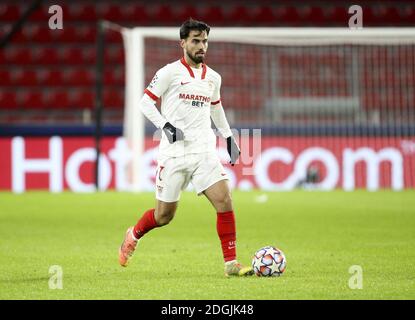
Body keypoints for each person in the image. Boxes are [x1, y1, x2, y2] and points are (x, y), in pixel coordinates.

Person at [118, 18, 253, 277]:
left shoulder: (213, 77)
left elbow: (216, 107)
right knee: (164, 216)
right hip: (174, 154)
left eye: (204, 41)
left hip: (203, 152)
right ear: (183, 43)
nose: (202, 46)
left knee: (224, 200)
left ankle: (231, 263)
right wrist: (165, 125)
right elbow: (145, 103)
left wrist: (228, 137)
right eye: (196, 41)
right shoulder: (169, 72)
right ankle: (133, 235)